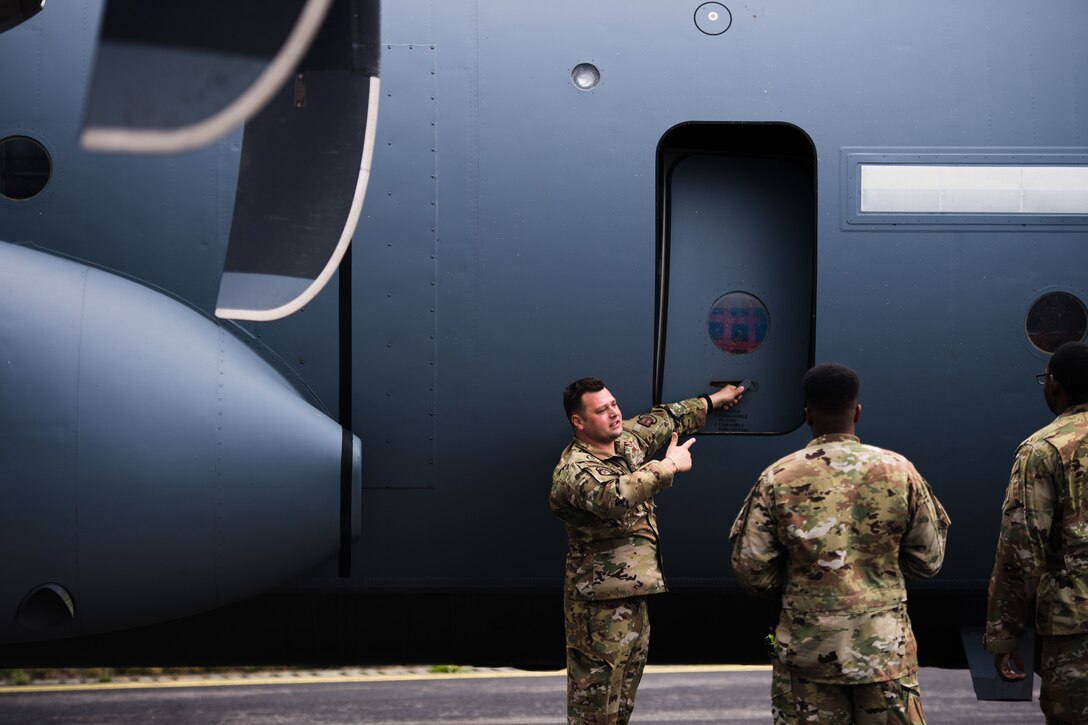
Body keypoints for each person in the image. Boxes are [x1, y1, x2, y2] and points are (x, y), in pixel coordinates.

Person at [730, 363, 950, 724]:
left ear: (807, 415)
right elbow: (928, 560)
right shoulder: (899, 470)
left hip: (808, 654)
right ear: (857, 412)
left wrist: (803, 586)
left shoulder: (778, 477)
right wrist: (880, 577)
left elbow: (753, 571)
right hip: (884, 654)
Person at [550, 377, 744, 725]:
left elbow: (667, 417)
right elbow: (615, 496)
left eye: (613, 404)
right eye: (601, 410)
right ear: (578, 422)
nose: (614, 413)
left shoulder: (625, 440)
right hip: (597, 610)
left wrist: (714, 401)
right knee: (594, 711)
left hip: (633, 600)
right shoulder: (574, 470)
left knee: (622, 704)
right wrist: (669, 466)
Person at [985, 341, 1088, 723]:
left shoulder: (1044, 449)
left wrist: (1004, 636)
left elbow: (1020, 551)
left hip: (1076, 629)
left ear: (1054, 384)